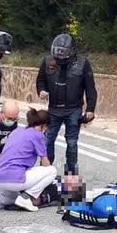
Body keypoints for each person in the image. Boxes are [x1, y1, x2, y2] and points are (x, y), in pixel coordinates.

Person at [35, 33, 97, 175]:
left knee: (72, 142)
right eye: (58, 54)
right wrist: (41, 90)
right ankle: (45, 171)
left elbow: (90, 87)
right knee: (48, 139)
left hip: (74, 109)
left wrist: (90, 109)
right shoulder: (47, 61)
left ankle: (71, 175)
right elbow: (41, 80)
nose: (60, 57)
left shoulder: (82, 63)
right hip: (53, 109)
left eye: (63, 54)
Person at [0, 108, 58, 213]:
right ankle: (26, 197)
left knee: (11, 199)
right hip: (14, 178)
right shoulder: (38, 135)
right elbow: (45, 163)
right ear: (44, 125)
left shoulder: (17, 131)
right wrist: (47, 179)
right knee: (52, 170)